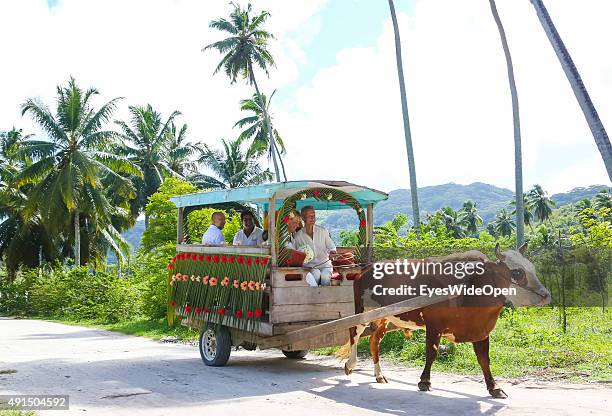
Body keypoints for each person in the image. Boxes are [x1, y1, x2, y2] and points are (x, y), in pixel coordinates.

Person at [292, 206, 337, 287]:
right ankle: (314, 297)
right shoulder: (297, 236)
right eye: (310, 216)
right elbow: (295, 253)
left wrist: (332, 252)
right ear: (303, 218)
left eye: (314, 216)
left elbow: (332, 247)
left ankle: (325, 298)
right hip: (309, 266)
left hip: (325, 265)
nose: (313, 218)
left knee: (325, 277)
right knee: (315, 274)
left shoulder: (323, 231)